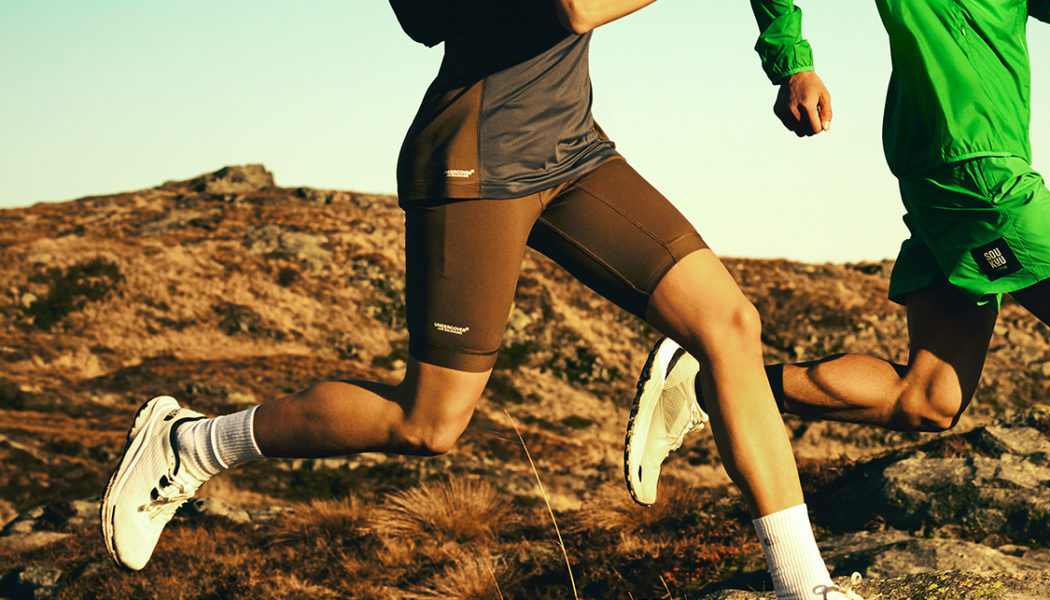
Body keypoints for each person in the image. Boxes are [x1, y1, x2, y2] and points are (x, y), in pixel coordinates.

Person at [101, 2, 860, 598]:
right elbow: (574, 6)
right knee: (428, 423)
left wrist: (790, 57)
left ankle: (804, 584)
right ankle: (192, 444)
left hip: (572, 147)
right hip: (478, 156)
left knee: (730, 324)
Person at [623, 1, 1050, 599]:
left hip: (963, 161)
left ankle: (715, 384)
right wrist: (792, 63)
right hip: (975, 167)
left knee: (928, 399)